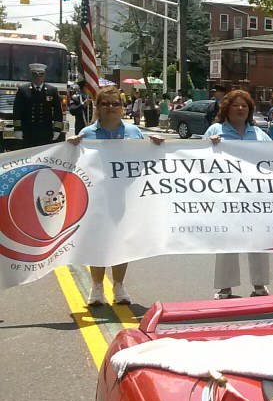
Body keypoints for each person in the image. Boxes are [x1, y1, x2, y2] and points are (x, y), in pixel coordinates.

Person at [66, 86, 164, 305]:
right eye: (105, 103)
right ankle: (97, 287)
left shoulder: (134, 132)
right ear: (98, 107)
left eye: (115, 103)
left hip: (125, 196)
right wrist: (71, 146)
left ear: (121, 107)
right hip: (96, 197)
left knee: (121, 242)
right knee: (98, 241)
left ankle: (119, 286)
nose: (110, 107)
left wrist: (157, 144)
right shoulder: (87, 134)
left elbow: (147, 159)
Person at [204, 89, 273, 299]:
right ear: (226, 108)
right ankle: (225, 287)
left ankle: (260, 285)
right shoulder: (215, 130)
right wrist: (208, 145)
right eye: (235, 105)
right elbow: (195, 157)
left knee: (258, 240)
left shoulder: (258, 134)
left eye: (244, 105)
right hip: (226, 196)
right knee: (227, 241)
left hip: (254, 197)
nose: (240, 109)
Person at [13, 63, 64, 148]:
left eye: (40, 75)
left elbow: (58, 112)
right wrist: (17, 129)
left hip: (45, 132)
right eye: (35, 75)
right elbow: (16, 110)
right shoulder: (23, 90)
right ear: (31, 75)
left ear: (44, 75)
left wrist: (57, 129)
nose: (38, 77)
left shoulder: (52, 90)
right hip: (28, 131)